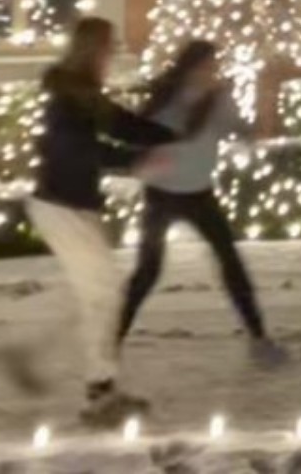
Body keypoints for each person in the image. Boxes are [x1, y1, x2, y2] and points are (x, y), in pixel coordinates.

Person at [0, 16, 178, 428]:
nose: (112, 54)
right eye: (108, 47)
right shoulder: (66, 100)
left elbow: (122, 124)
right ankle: (99, 392)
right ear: (92, 50)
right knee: (105, 293)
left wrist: (169, 137)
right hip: (60, 208)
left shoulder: (82, 95)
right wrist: (140, 160)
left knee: (94, 295)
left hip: (74, 206)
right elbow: (84, 152)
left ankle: (28, 354)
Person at [119, 39, 287, 367]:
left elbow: (243, 132)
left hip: (199, 193)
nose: (212, 72)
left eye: (214, 66)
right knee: (148, 271)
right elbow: (145, 133)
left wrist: (259, 116)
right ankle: (111, 339)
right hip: (162, 194)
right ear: (191, 67)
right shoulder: (168, 97)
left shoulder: (218, 100)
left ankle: (259, 338)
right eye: (207, 66)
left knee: (230, 263)